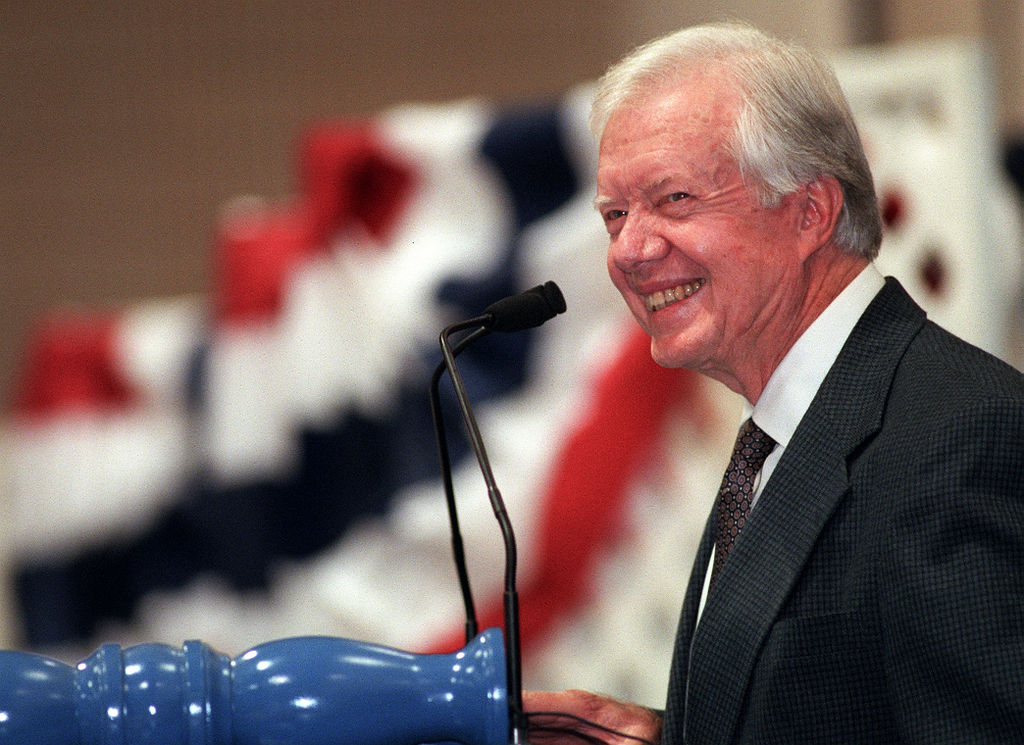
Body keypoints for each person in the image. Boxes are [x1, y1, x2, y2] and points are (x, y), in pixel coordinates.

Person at [524, 21, 1024, 745]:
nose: (629, 250)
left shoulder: (960, 440)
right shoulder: (776, 435)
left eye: (674, 199)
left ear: (809, 212)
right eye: (614, 214)